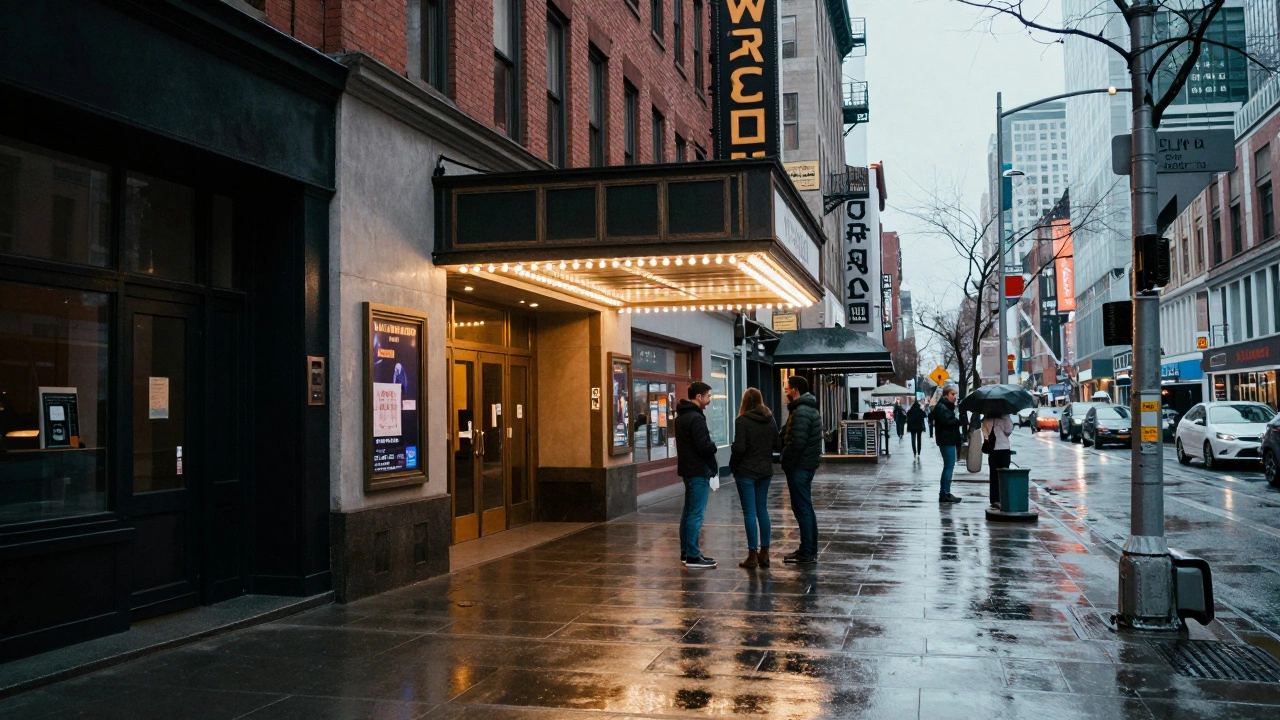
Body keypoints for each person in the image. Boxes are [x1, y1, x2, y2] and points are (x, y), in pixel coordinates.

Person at [729, 388, 781, 569]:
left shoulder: (742, 421)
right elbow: (777, 444)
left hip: (746, 471)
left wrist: (733, 463)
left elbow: (740, 448)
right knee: (762, 510)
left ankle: (752, 554)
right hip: (765, 470)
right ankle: (765, 552)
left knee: (749, 512)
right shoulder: (770, 418)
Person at [674, 381, 719, 568]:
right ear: (699, 397)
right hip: (698, 470)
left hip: (687, 469)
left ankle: (686, 551)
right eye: (708, 396)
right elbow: (704, 446)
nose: (709, 400)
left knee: (688, 512)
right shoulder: (696, 418)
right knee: (696, 513)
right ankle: (693, 555)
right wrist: (713, 446)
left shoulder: (682, 417)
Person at [780, 375, 822, 565]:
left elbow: (797, 442)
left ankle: (807, 552)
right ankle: (808, 549)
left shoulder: (801, 411)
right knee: (805, 508)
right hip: (804, 465)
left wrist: (784, 458)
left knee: (802, 508)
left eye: (787, 387)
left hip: (799, 466)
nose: (785, 390)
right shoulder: (804, 409)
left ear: (795, 389)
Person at [933, 386, 964, 503]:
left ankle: (945, 492)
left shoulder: (945, 407)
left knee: (948, 466)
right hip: (947, 441)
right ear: (946, 395)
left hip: (948, 440)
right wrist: (958, 421)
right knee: (949, 467)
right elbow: (947, 422)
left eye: (955, 394)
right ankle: (945, 493)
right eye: (952, 394)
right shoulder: (942, 407)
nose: (955, 397)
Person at [982, 411, 1014, 507]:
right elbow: (1008, 431)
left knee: (993, 476)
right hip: (1003, 449)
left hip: (992, 451)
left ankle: (994, 499)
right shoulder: (1004, 419)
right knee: (1004, 475)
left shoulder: (985, 420)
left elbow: (985, 434)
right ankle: (1004, 497)